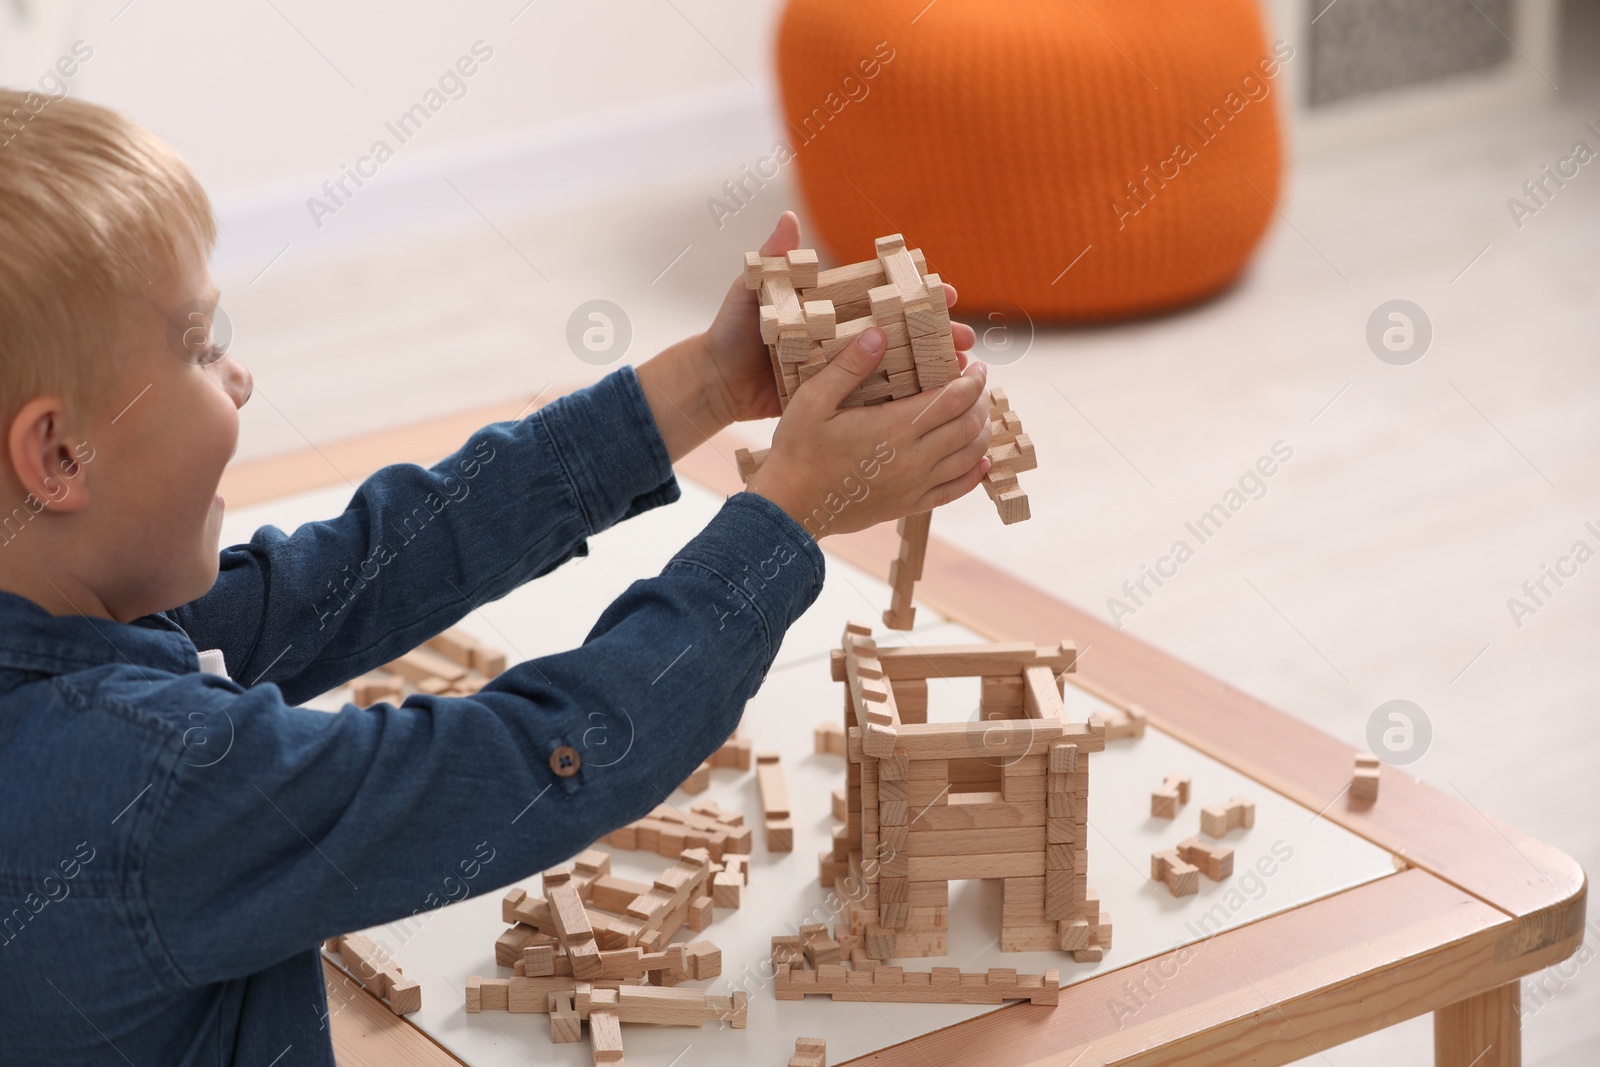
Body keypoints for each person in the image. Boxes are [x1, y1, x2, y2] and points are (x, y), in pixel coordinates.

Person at [0, 89, 993, 1065]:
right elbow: (538, 757)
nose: (240, 375)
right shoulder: (147, 784)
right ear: (60, 454)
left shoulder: (59, 611)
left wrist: (704, 385)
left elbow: (363, 569)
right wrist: (784, 521)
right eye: (202, 344)